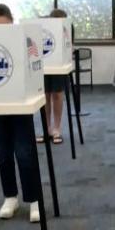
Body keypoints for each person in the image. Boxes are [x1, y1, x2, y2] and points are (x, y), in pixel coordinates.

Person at [0, 3, 42, 223]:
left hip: (20, 104)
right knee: (3, 153)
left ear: (12, 22)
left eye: (3, 26)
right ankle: (10, 196)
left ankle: (34, 198)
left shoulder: (24, 40)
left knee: (24, 151)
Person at [42, 8, 68, 145]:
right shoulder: (44, 28)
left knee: (57, 95)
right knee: (45, 96)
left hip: (59, 66)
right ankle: (47, 129)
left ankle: (56, 128)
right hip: (45, 66)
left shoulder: (67, 28)